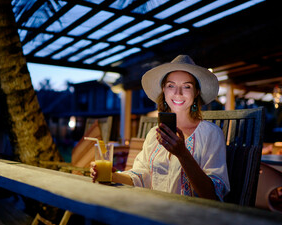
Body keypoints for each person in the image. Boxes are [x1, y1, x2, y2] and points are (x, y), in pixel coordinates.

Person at [90, 55, 230, 201]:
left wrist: (182, 154)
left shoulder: (211, 134)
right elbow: (141, 177)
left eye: (187, 86)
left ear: (196, 93)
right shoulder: (154, 134)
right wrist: (112, 175)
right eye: (171, 85)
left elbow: (212, 195)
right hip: (155, 209)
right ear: (164, 90)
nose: (178, 93)